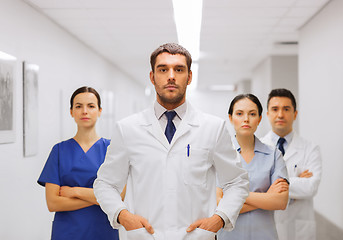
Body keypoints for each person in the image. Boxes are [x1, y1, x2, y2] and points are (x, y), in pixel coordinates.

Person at [93, 43, 249, 240]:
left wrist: (220, 218)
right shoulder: (128, 129)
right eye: (163, 69)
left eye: (179, 69)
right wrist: (123, 216)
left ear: (189, 77)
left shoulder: (213, 128)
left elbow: (236, 181)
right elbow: (105, 183)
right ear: (152, 77)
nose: (171, 76)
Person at [37, 86, 120, 240]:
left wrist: (75, 191)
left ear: (100, 111)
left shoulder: (112, 149)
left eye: (91, 106)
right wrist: (101, 199)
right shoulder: (59, 151)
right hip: (67, 232)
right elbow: (53, 203)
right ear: (71, 112)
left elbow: (119, 197)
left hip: (102, 231)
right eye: (78, 106)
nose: (84, 111)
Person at [217, 94, 289, 240]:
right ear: (230, 118)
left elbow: (281, 201)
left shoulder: (274, 155)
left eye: (252, 114)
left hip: (265, 235)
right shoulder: (219, 154)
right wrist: (267, 197)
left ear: (259, 119)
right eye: (239, 113)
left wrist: (233, 196)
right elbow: (218, 204)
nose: (246, 119)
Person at [261, 88, 322, 240]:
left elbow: (311, 187)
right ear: (267, 114)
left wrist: (273, 183)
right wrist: (296, 181)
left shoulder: (310, 148)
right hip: (266, 225)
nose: (280, 114)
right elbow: (253, 187)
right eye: (275, 109)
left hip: (299, 228)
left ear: (295, 114)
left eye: (286, 109)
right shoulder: (257, 147)